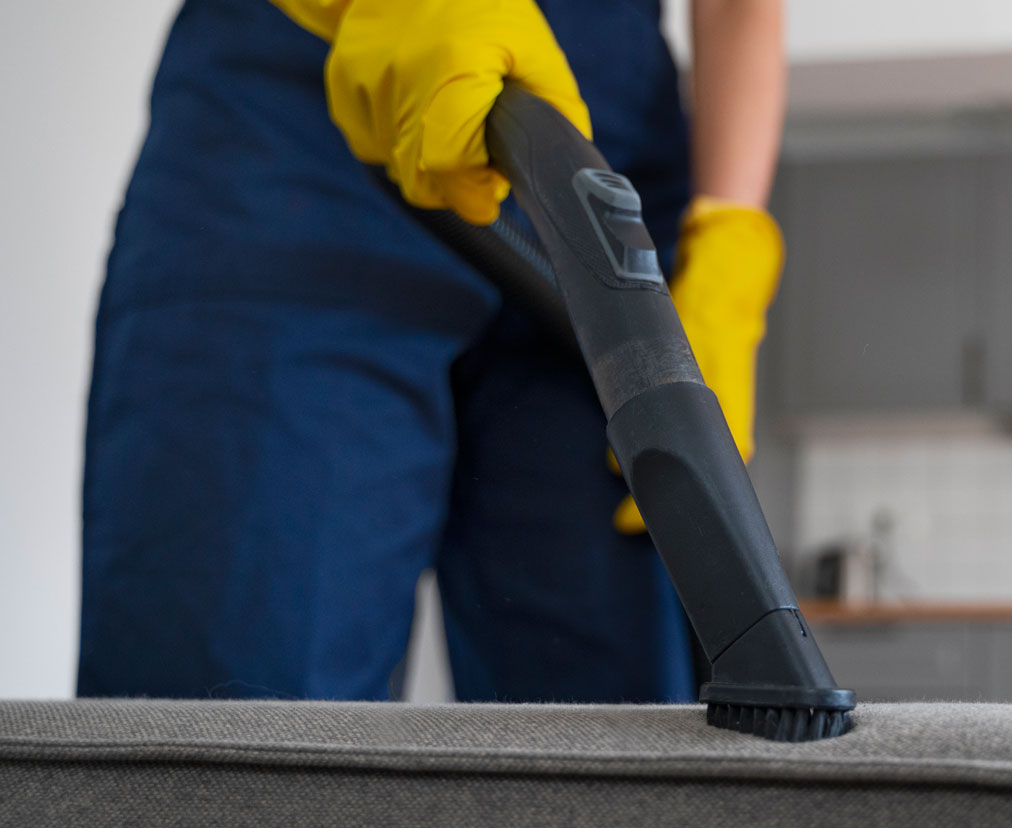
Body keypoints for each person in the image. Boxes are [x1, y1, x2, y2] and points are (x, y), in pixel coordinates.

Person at [77, 0, 786, 704]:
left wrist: (731, 235)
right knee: (238, 711)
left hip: (594, 150)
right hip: (302, 114)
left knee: (615, 736)